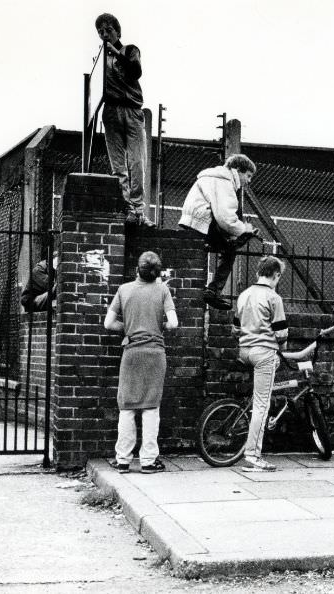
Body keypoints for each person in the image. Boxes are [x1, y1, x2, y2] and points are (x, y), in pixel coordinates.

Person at [104, 251, 178, 474]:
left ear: (138, 269)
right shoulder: (162, 289)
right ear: (157, 272)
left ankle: (123, 460)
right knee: (150, 408)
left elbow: (108, 323)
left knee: (126, 407)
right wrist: (158, 328)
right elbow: (173, 323)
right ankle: (148, 461)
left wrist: (127, 329)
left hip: (132, 352)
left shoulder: (124, 290)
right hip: (155, 353)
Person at [95, 13, 154, 228]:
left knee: (137, 161)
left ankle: (139, 211)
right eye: (100, 32)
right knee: (118, 165)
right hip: (111, 111)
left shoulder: (129, 50)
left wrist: (116, 54)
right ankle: (128, 209)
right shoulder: (101, 58)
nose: (104, 35)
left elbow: (135, 71)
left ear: (117, 32)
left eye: (108, 30)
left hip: (132, 110)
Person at [179, 153, 259, 310]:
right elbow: (225, 217)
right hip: (203, 222)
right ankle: (213, 292)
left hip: (193, 220)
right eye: (248, 176)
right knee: (230, 250)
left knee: (229, 245)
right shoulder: (224, 181)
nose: (248, 181)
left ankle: (211, 290)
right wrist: (244, 228)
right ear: (238, 170)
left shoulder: (212, 176)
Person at [231, 255, 288, 472]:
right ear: (276, 275)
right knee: (261, 406)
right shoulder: (274, 298)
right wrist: (281, 349)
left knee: (257, 400)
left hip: (244, 351)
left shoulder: (244, 295)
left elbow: (236, 328)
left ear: (258, 273)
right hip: (264, 353)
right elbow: (281, 332)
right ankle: (253, 455)